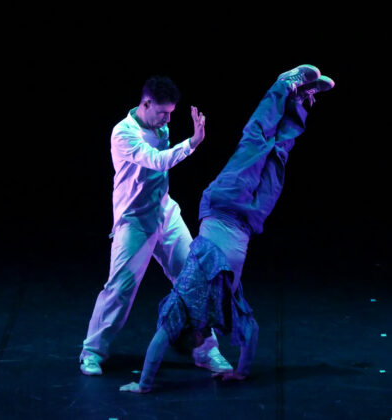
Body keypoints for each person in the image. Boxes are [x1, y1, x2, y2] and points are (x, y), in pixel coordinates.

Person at [119, 64, 335, 393]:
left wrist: (144, 384)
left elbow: (160, 340)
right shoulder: (223, 307)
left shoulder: (184, 302)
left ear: (190, 336)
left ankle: (283, 85)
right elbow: (251, 331)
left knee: (255, 142)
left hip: (222, 203)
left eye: (198, 339)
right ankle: (300, 99)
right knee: (278, 155)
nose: (204, 337)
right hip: (248, 221)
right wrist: (241, 372)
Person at [80, 75, 232, 376]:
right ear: (146, 103)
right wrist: (192, 143)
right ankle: (92, 351)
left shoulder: (160, 126)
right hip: (135, 219)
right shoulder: (123, 134)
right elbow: (158, 161)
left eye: (171, 113)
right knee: (120, 288)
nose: (167, 119)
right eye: (163, 112)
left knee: (194, 279)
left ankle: (206, 350)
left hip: (165, 212)